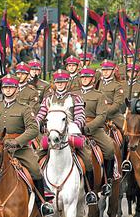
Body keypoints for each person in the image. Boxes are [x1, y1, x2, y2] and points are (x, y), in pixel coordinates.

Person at [0, 77, 54, 217]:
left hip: (20, 149)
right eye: (5, 87)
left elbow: (33, 129)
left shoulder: (25, 108)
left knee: (35, 170)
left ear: (16, 90)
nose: (8, 90)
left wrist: (17, 141)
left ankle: (42, 203)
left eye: (11, 87)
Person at [37, 70, 96, 205]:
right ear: (54, 83)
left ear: (67, 82)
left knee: (87, 159)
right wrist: (36, 124)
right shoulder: (48, 99)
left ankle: (89, 192)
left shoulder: (76, 98)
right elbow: (40, 115)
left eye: (63, 82)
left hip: (70, 135)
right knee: (37, 160)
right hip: (51, 135)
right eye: (58, 82)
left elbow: (80, 117)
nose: (60, 84)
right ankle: (42, 193)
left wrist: (72, 128)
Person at [76, 68, 115, 196]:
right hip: (74, 129)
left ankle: (107, 181)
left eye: (87, 77)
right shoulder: (73, 94)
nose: (84, 79)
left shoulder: (99, 95)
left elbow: (101, 117)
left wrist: (88, 127)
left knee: (109, 147)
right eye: (82, 77)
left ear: (93, 79)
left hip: (93, 129)